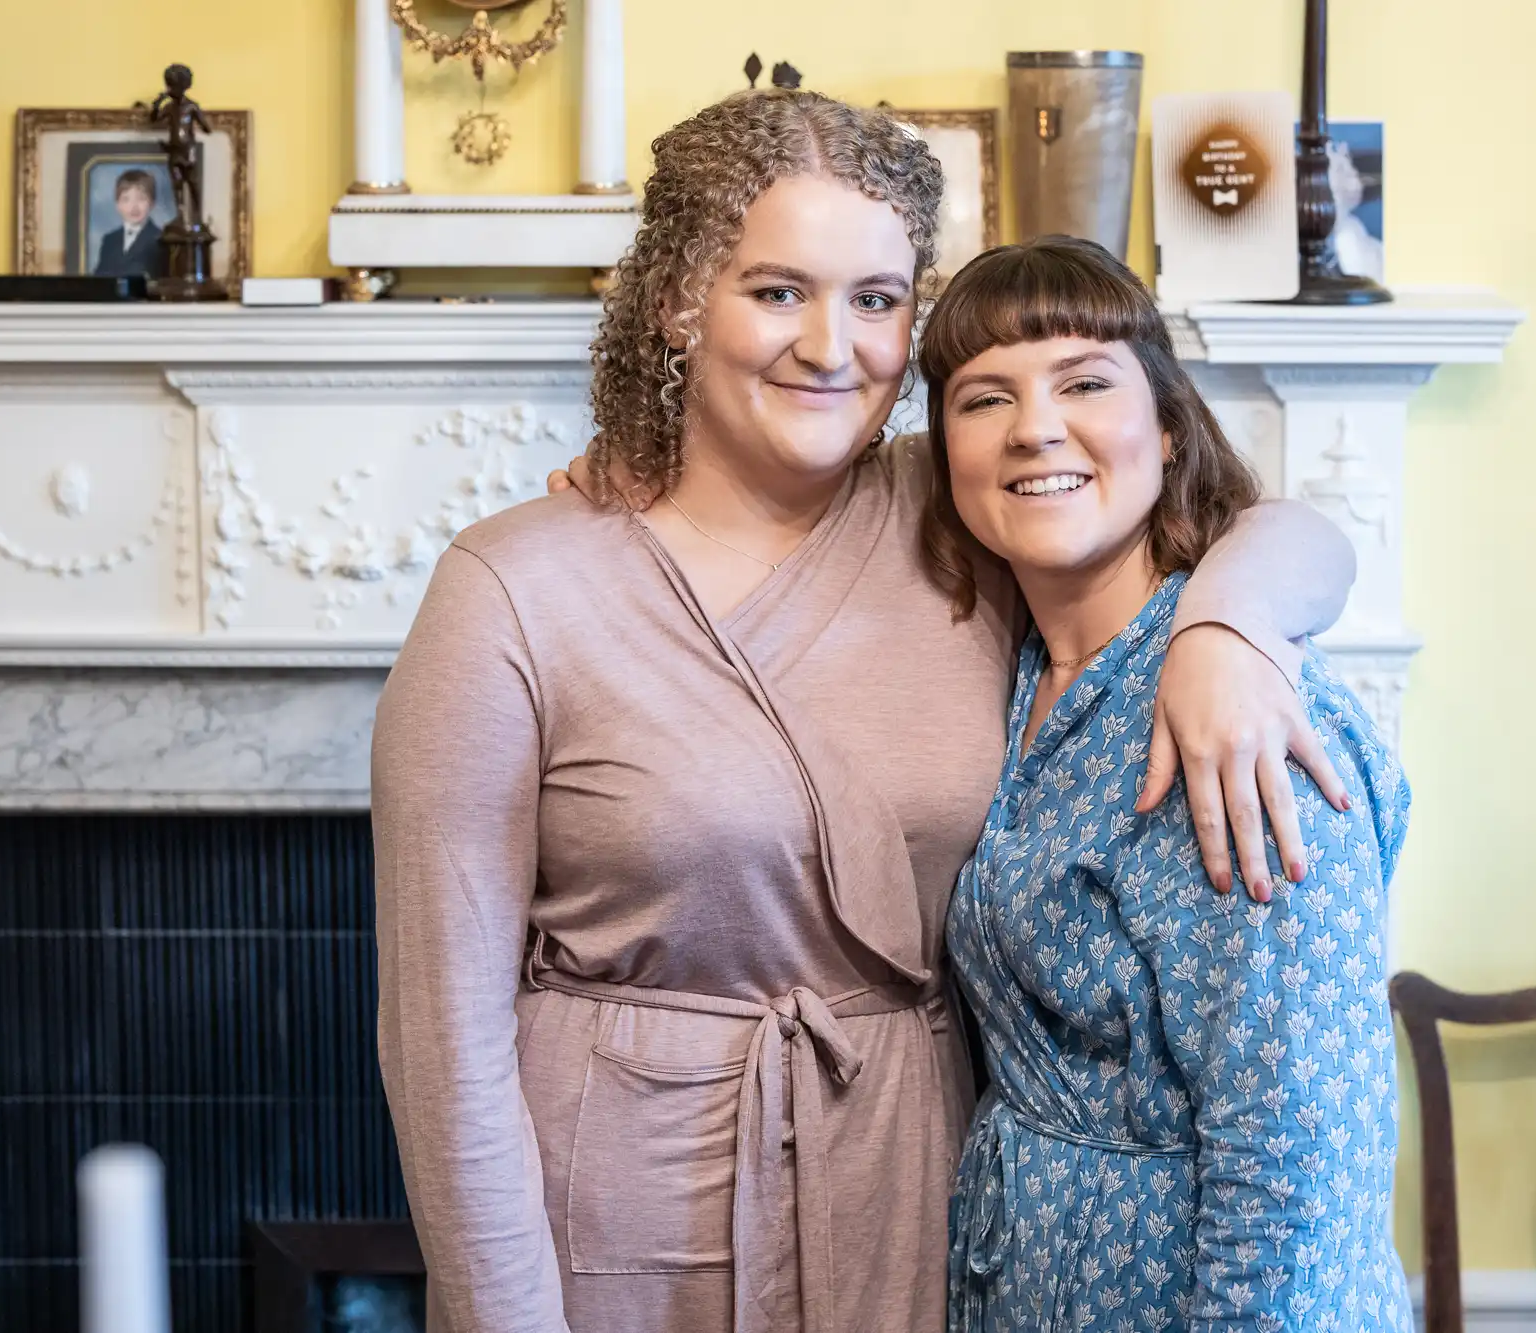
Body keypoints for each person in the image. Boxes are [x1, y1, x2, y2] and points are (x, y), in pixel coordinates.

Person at [372, 90, 1356, 1333]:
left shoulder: (955, 512)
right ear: (680, 299)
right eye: (778, 291)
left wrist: (1230, 624)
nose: (831, 346)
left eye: (877, 300)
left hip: (919, 1195)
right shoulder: (513, 589)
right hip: (616, 1211)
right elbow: (441, 1038)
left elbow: (1278, 522)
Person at [923, 236, 1411, 1333]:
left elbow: (1299, 1149)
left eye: (1084, 382)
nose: (1033, 427)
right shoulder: (1007, 676)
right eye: (981, 397)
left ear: (1170, 428)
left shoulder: (1241, 718)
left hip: (1194, 1294)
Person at [92, 169, 164, 279]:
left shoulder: (161, 240)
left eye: (141, 198)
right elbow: (98, 280)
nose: (134, 206)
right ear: (117, 205)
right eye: (126, 199)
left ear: (152, 203)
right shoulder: (109, 240)